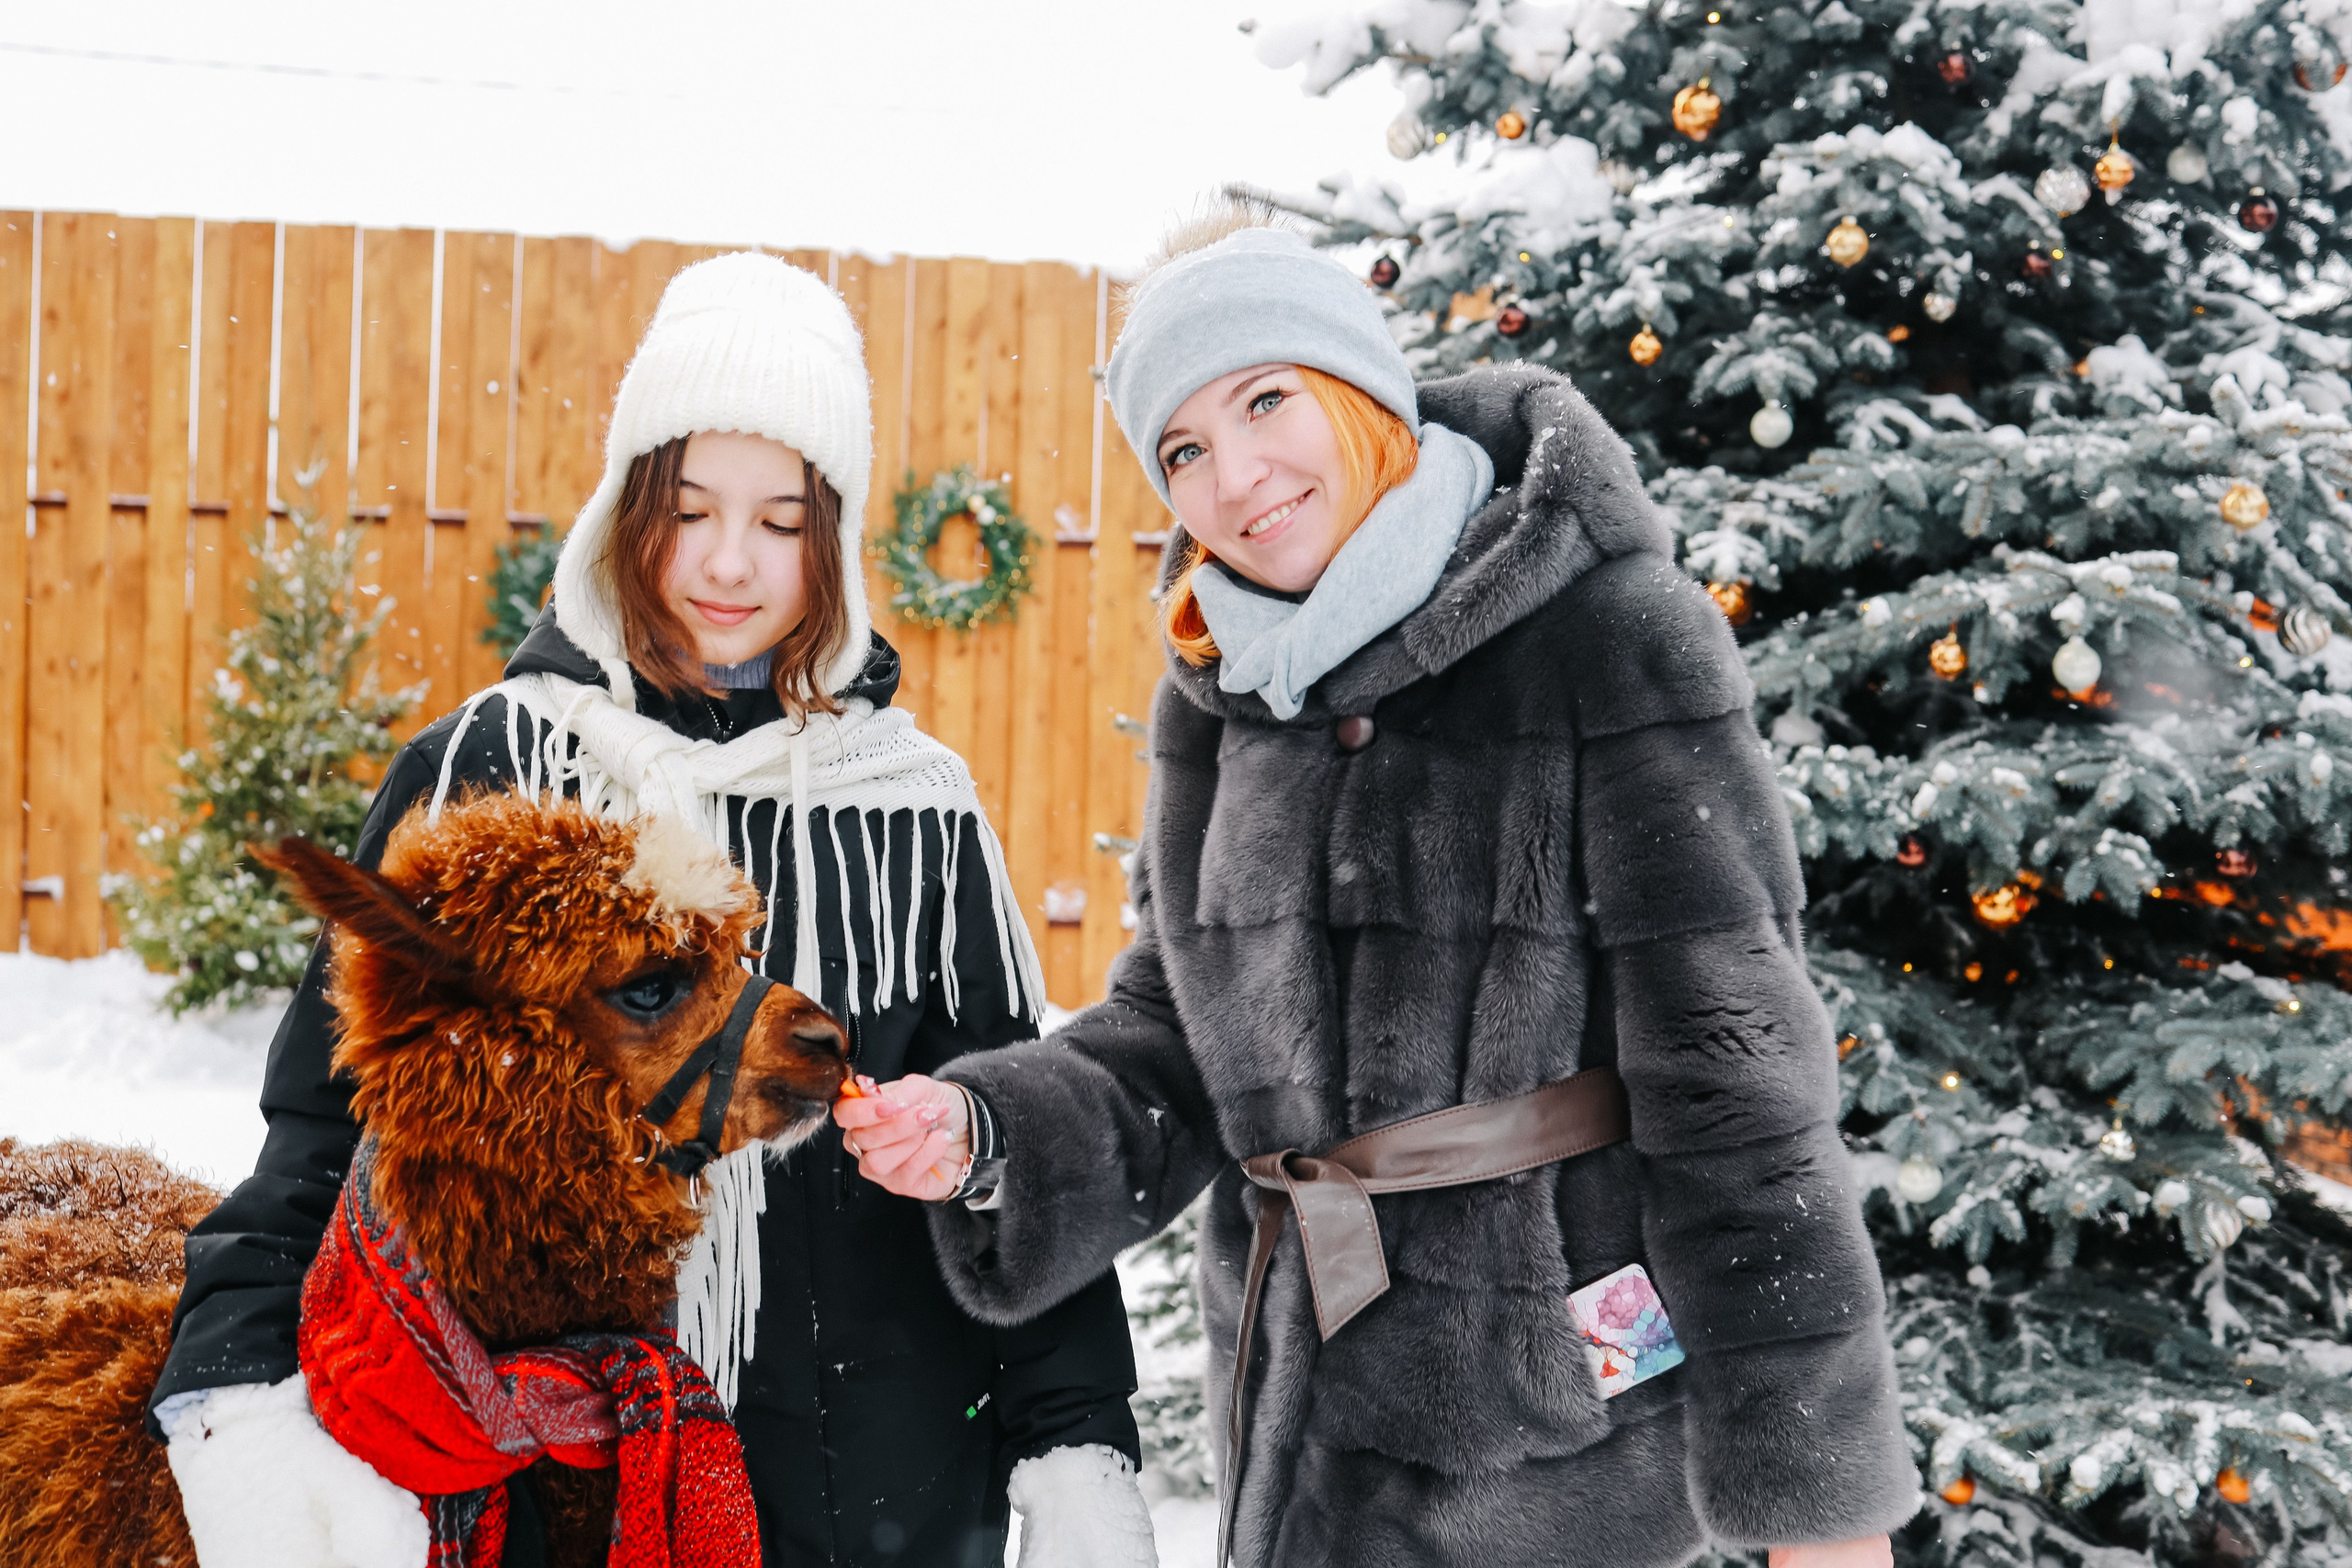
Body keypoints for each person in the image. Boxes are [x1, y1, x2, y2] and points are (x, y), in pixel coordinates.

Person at [836, 211, 1920, 1568]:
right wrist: (991, 1130)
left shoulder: (1602, 633)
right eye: (1182, 450)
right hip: (1299, 1416)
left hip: (1566, 1427)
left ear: (1357, 383)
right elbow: (1180, 1034)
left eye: (1263, 399)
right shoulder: (1220, 695)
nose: (1234, 475)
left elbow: (1738, 1076)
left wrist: (1818, 1504)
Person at [151, 252, 1158, 1568]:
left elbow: (1016, 1158)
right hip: (556, 1492)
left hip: (882, 1495)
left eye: (782, 521)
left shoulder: (917, 813)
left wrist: (1075, 1449)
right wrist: (238, 1399)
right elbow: (326, 1127)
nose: (731, 563)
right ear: (629, 514)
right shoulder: (486, 774)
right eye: (691, 509)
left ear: (833, 541)